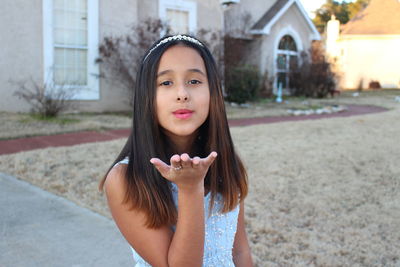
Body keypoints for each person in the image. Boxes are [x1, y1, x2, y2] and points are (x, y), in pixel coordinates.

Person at [99, 34, 253, 267]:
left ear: (213, 93)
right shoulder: (125, 179)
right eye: (166, 83)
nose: (182, 94)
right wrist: (190, 189)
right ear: (146, 97)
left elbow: (240, 251)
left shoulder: (227, 164)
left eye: (194, 81)